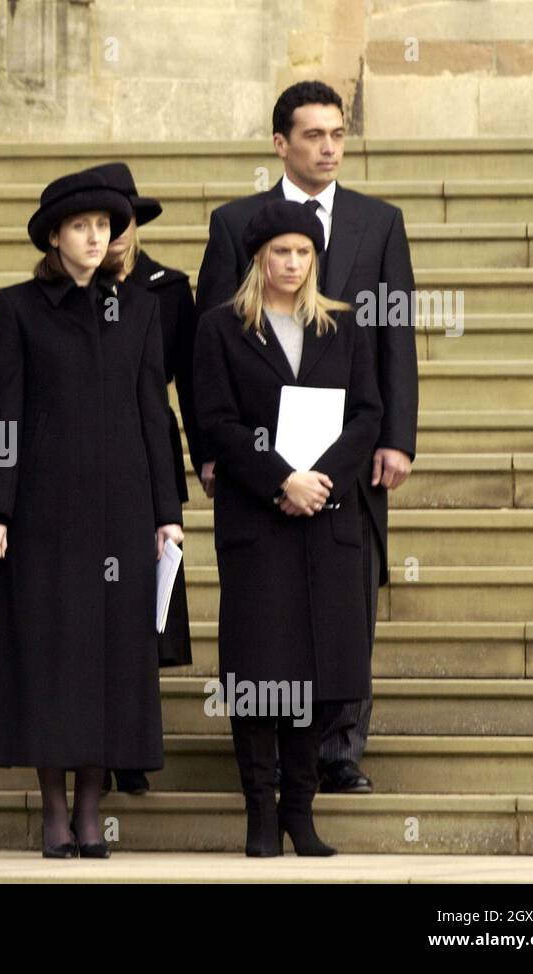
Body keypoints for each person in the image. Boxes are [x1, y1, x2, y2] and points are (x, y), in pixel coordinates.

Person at [195, 80, 418, 793]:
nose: (329, 146)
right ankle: (271, 756)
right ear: (280, 143)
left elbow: (395, 335)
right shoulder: (235, 226)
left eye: (338, 133)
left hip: (349, 447)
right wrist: (210, 449)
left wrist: (396, 436)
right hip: (259, 459)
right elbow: (209, 345)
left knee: (348, 586)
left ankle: (340, 747)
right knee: (269, 603)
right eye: (314, 134)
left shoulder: (379, 223)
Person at [0, 170, 185, 858]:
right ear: (55, 237)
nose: (94, 237)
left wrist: (167, 512)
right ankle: (56, 809)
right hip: (42, 514)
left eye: (104, 226)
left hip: (122, 512)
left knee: (112, 663)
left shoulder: (142, 308)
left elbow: (156, 413)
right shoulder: (18, 307)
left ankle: (93, 808)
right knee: (48, 657)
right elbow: (0, 415)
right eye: (80, 227)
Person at [193, 200, 382, 856]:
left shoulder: (343, 327)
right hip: (259, 521)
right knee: (259, 669)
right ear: (258, 258)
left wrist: (318, 479)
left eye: (303, 252)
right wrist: (281, 479)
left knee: (318, 671)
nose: (292, 263)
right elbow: (214, 422)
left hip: (326, 519)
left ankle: (300, 812)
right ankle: (260, 814)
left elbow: (367, 415)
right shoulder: (222, 329)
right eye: (281, 252)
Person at [91, 161, 198, 797]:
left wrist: (204, 457)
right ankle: (94, 748)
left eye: (123, 220)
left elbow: (191, 377)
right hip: (90, 459)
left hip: (150, 452)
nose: (117, 232)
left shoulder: (169, 287)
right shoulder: (77, 288)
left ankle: (133, 746)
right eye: (105, 220)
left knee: (146, 615)